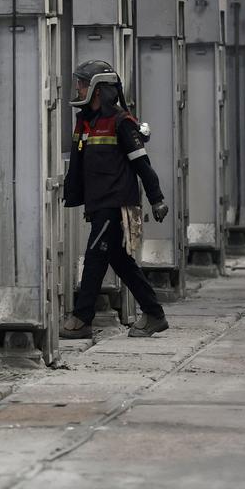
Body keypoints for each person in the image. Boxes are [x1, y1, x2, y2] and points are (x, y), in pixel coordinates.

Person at [60, 59, 170, 339]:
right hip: (98, 204)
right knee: (120, 262)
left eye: (82, 83)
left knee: (94, 258)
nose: (78, 88)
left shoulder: (121, 122)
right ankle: (154, 314)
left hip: (114, 204)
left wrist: (157, 199)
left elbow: (142, 165)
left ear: (97, 90)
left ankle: (82, 319)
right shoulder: (85, 121)